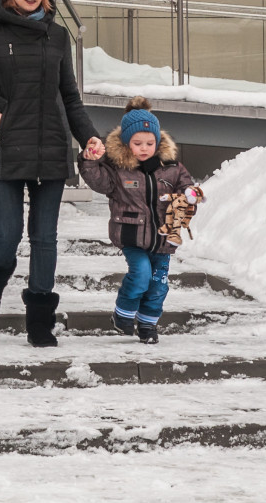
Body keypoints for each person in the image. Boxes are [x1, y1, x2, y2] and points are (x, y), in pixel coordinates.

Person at [0, 0, 105, 347]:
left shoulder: (57, 36)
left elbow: (69, 95)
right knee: (7, 232)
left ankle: (40, 320)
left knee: (45, 237)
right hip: (5, 147)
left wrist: (88, 135)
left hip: (51, 146)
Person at [79, 97, 202, 344]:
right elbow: (99, 182)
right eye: (137, 143)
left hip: (164, 237)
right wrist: (90, 162)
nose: (144, 148)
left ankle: (148, 325)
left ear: (158, 142)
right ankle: (123, 314)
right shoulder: (118, 169)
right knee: (141, 274)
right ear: (126, 143)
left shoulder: (172, 167)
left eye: (150, 142)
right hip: (132, 235)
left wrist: (190, 195)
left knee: (158, 286)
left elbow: (187, 186)